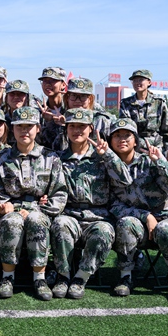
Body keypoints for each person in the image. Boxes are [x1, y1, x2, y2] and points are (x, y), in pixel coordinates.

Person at [50, 109, 132, 299]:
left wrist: (109, 155)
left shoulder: (102, 157)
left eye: (82, 126)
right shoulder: (58, 159)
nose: (77, 130)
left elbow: (126, 180)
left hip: (98, 216)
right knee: (60, 225)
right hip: (69, 214)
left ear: (91, 129)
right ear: (66, 129)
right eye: (72, 126)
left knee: (104, 231)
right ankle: (63, 276)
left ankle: (80, 278)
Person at [0, 106, 67, 301]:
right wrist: (12, 208)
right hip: (10, 213)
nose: (24, 130)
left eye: (29, 126)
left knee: (37, 219)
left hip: (41, 211)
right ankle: (7, 277)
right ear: (12, 129)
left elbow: (59, 194)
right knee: (12, 221)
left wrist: (32, 209)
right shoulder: (1, 160)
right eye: (19, 126)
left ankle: (39, 278)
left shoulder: (51, 158)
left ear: (38, 128)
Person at [108, 118, 168, 303]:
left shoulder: (149, 162)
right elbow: (113, 205)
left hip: (165, 217)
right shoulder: (108, 167)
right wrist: (145, 216)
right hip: (137, 220)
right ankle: (125, 276)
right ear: (110, 141)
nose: (122, 139)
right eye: (117, 136)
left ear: (135, 141)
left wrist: (161, 162)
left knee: (165, 229)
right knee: (125, 223)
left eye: (127, 135)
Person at [51, 77, 115, 151]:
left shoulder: (102, 120)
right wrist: (61, 126)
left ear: (90, 99)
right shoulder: (61, 118)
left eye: (83, 96)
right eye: (74, 96)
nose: (78, 101)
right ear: (67, 98)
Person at [119, 69, 168, 149]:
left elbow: (167, 131)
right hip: (133, 147)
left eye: (140, 80)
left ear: (149, 82)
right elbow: (124, 129)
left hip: (155, 147)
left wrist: (167, 151)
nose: (137, 83)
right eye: (134, 80)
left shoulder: (158, 103)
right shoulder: (126, 103)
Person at [37, 67, 67, 149]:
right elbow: (40, 143)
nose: (47, 84)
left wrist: (64, 124)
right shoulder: (39, 112)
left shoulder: (71, 109)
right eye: (45, 81)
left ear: (63, 84)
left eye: (52, 80)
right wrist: (49, 122)